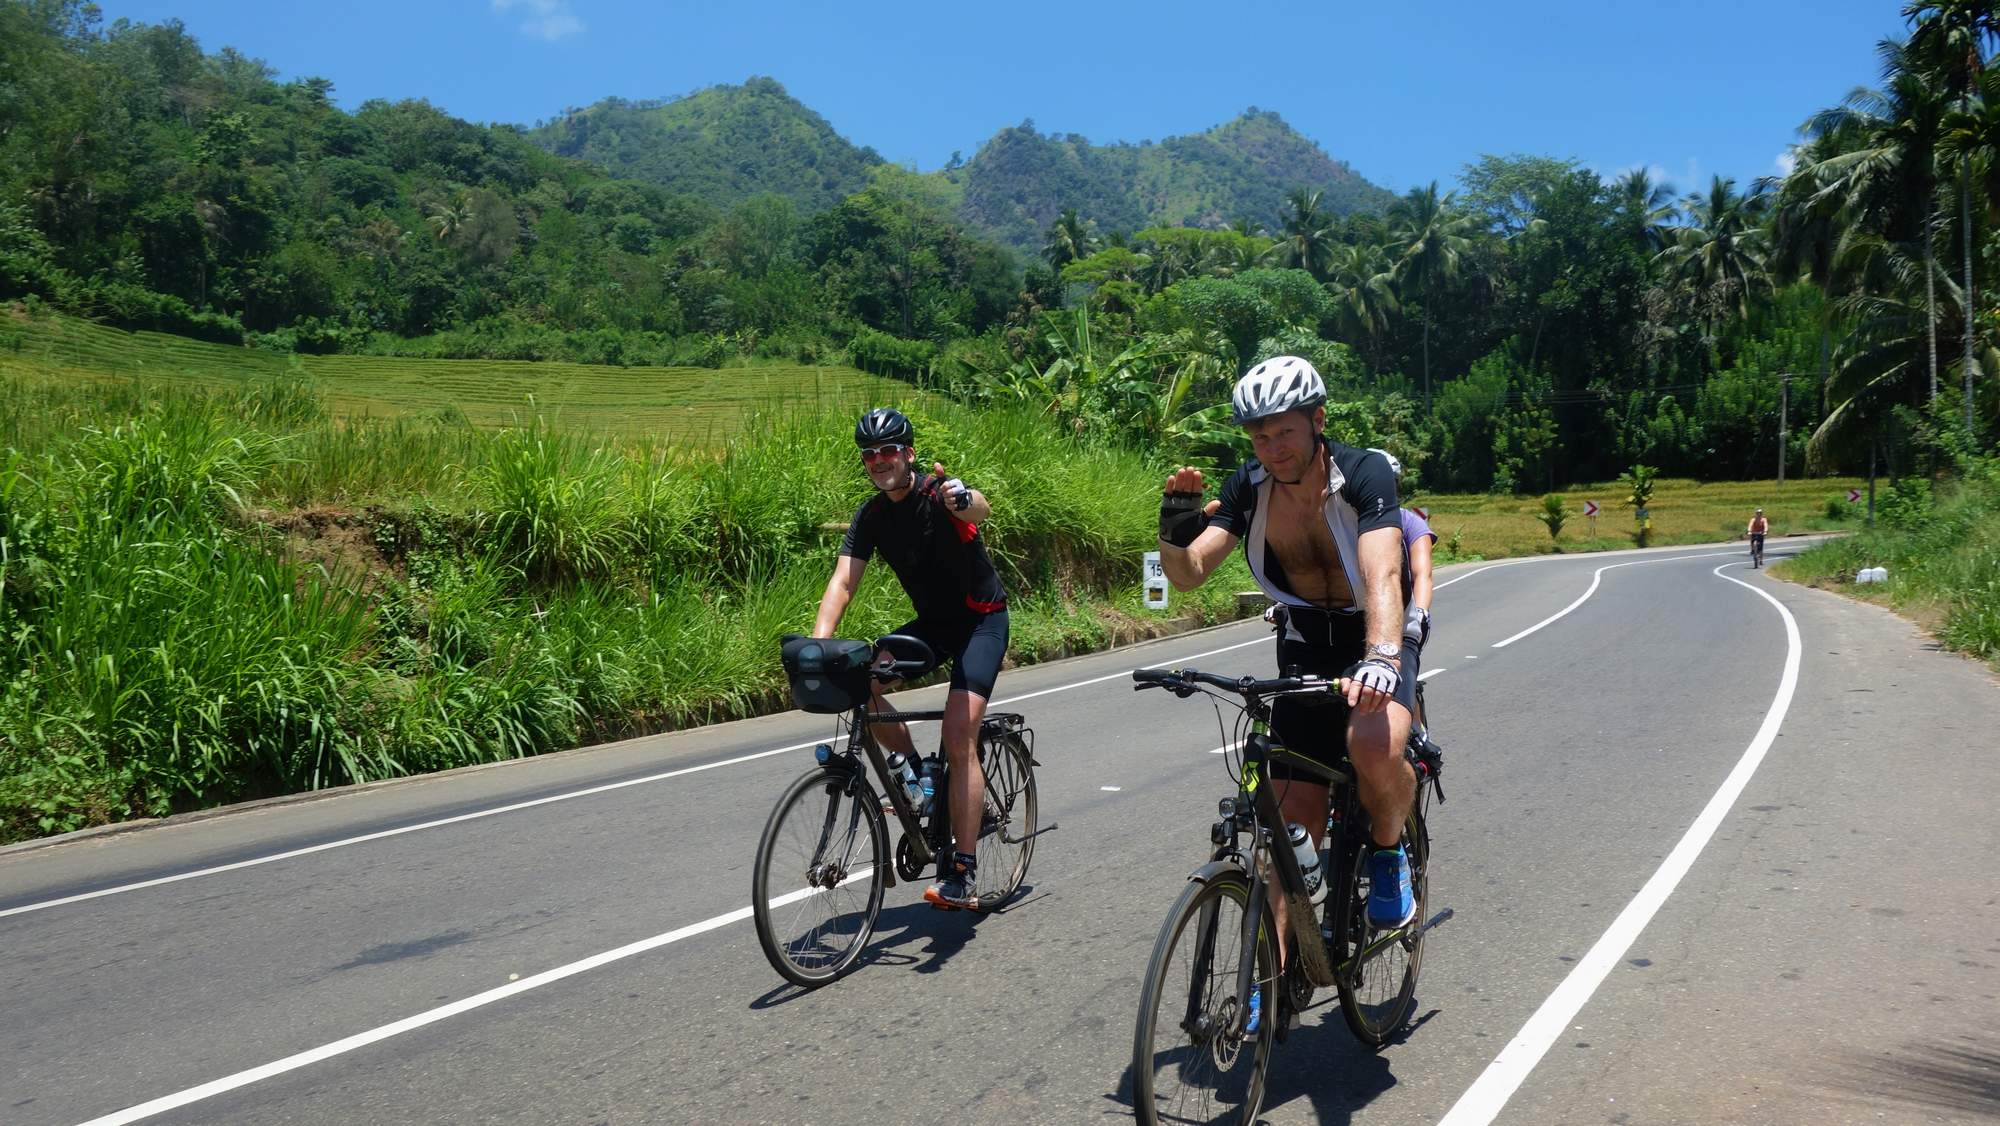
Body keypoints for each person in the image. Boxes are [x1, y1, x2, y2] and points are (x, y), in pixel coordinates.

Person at [1158, 356, 1419, 958]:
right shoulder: (1248, 488)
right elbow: (1191, 573)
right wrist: (1172, 535)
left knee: (1372, 744)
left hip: (1372, 631)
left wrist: (1381, 654)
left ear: (1317, 421)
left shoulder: (1364, 472)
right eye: (1259, 437)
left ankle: (1386, 847)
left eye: (1285, 433)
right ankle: (1263, 982)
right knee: (1291, 826)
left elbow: (1381, 570)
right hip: (1304, 638)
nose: (1272, 448)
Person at [811, 408, 1008, 910]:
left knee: (960, 733)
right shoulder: (871, 516)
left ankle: (961, 871)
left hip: (982, 623)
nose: (880, 461)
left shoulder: (939, 495)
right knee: (862, 680)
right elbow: (843, 581)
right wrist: (820, 642)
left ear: (909, 454)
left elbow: (978, 507)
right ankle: (919, 773)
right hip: (934, 628)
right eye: (870, 454)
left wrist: (962, 497)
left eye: (889, 450)